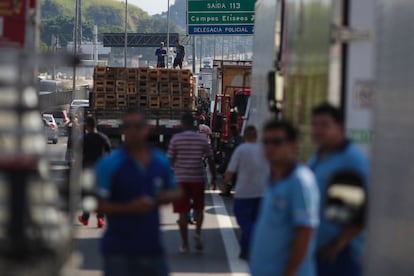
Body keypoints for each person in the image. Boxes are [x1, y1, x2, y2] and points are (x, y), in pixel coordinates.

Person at [95, 108, 181, 276]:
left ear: (147, 128)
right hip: (118, 251)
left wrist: (158, 198)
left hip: (152, 250)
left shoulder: (159, 160)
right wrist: (130, 208)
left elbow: (176, 191)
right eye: (129, 126)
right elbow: (98, 205)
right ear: (123, 130)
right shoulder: (109, 164)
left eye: (138, 126)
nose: (133, 131)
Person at [250, 120, 319, 276]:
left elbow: (305, 232)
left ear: (293, 144)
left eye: (276, 142)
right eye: (266, 142)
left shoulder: (300, 182)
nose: (270, 147)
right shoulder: (274, 179)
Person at [308, 103, 368, 276]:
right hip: (316, 250)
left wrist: (339, 244)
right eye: (315, 125)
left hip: (339, 255)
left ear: (339, 127)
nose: (318, 130)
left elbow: (363, 210)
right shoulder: (318, 157)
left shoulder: (351, 160)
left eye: (324, 125)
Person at [167, 112, 217, 253]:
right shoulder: (201, 140)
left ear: (183, 124)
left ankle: (185, 244)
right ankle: (197, 233)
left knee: (182, 212)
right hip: (197, 178)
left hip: (181, 180)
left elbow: (169, 160)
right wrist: (213, 177)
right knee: (199, 209)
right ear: (193, 124)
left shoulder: (176, 139)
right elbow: (210, 159)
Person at [222, 125, 268, 260]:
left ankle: (253, 246)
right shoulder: (264, 150)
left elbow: (230, 171)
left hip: (244, 193)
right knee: (255, 221)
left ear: (245, 136)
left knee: (245, 222)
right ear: (256, 136)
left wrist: (225, 184)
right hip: (262, 193)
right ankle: (245, 249)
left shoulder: (241, 150)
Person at [77, 117, 112, 228]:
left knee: (87, 194)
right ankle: (100, 219)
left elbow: (78, 153)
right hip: (100, 170)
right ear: (96, 125)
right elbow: (109, 153)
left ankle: (85, 218)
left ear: (87, 126)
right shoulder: (103, 138)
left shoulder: (84, 138)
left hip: (87, 169)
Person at [220, 125, 244, 196]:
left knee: (231, 176)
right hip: (231, 159)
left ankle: (227, 191)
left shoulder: (238, 138)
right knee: (231, 177)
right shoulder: (235, 138)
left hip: (233, 159)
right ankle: (227, 191)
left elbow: (234, 148)